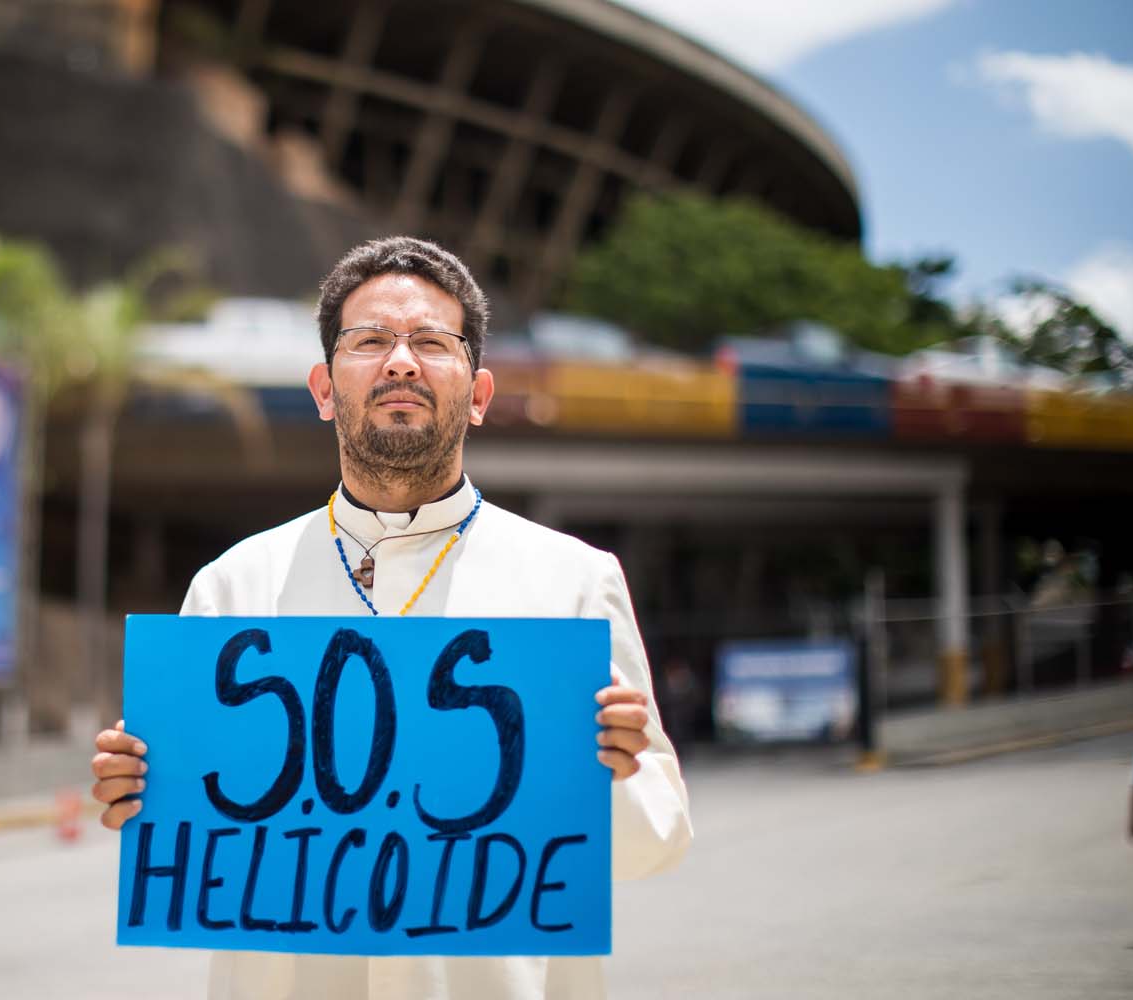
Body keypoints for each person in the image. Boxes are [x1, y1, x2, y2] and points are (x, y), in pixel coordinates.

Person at [91, 236, 692, 1000]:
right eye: (370, 341)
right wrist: (140, 788)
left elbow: (654, 844)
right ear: (322, 388)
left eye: (432, 343)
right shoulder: (232, 588)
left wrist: (616, 770)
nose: (400, 362)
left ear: (478, 394)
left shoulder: (574, 582)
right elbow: (200, 842)